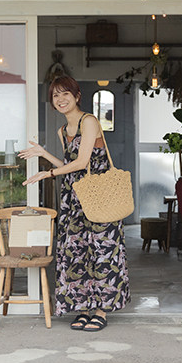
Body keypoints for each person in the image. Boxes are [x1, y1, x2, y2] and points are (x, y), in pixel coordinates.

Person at [20, 76, 130, 332]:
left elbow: (82, 163)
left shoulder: (88, 121)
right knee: (78, 253)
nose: (60, 100)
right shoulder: (62, 131)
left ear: (77, 96)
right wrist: (44, 154)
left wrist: (47, 175)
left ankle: (101, 310)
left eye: (65, 94)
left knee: (102, 253)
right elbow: (68, 166)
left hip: (99, 195)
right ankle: (82, 309)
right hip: (74, 200)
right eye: (55, 96)